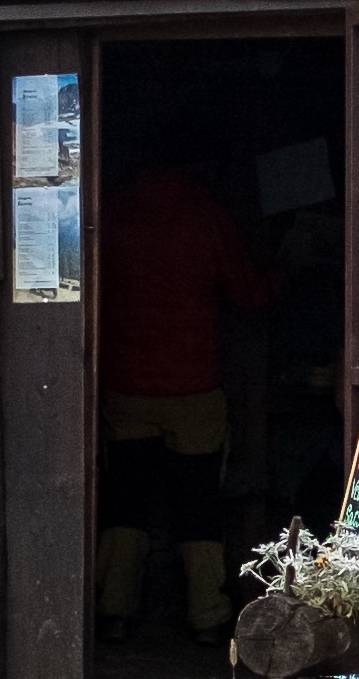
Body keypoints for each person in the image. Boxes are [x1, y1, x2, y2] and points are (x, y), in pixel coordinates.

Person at [96, 156, 272, 648]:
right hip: (195, 388)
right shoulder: (209, 216)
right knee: (198, 503)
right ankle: (209, 618)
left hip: (127, 386)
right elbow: (249, 294)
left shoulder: (111, 212)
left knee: (126, 500)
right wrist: (285, 272)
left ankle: (114, 612)